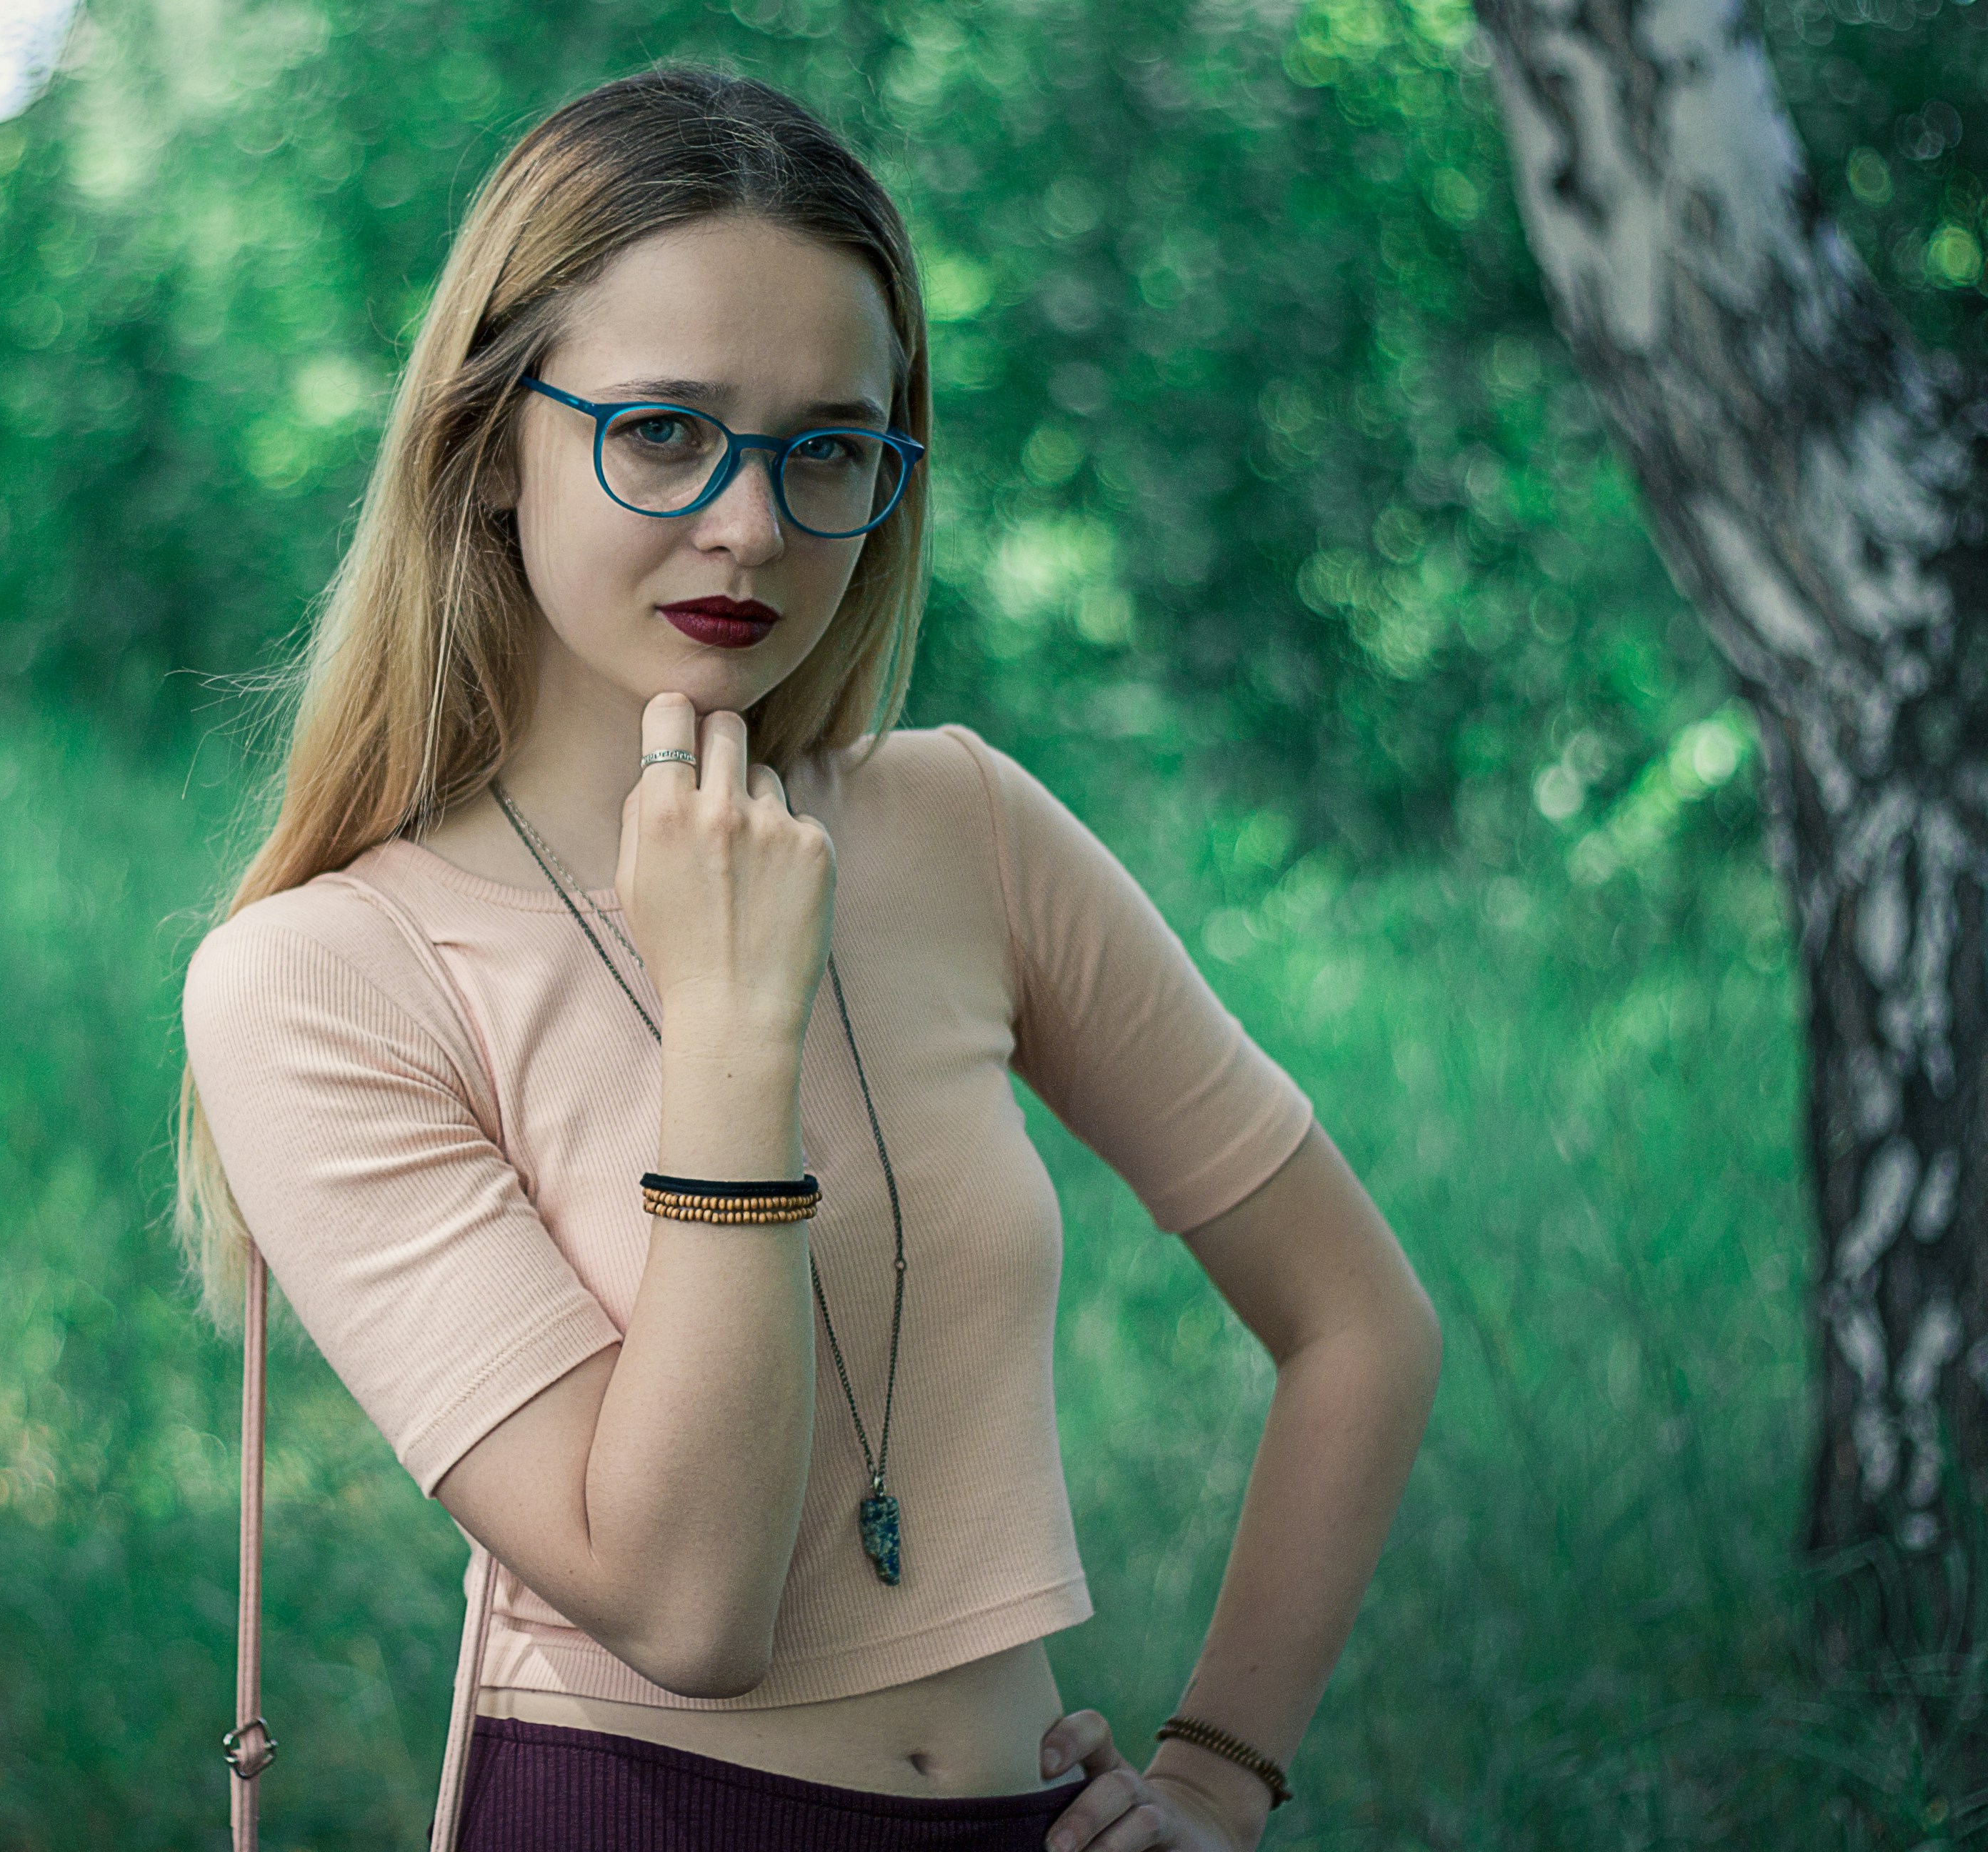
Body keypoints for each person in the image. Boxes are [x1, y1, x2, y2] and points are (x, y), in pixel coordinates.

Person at [178, 66, 1441, 1852]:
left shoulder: (964, 826)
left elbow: (1361, 1323)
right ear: (489, 446)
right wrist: (729, 1022)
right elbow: (688, 1609)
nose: (753, 526)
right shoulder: (323, 977)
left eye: (829, 448)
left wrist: (1221, 1775)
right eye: (664, 432)